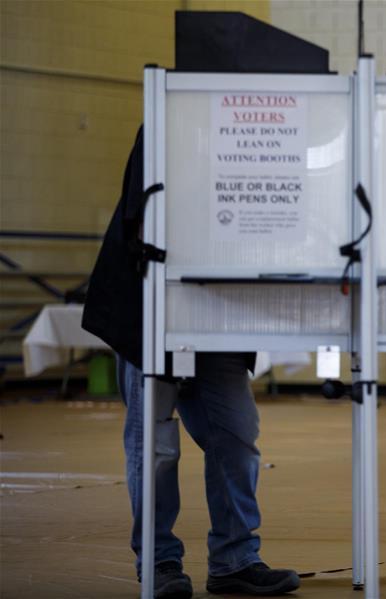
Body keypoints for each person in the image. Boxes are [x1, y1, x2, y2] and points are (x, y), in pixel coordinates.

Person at [83, 128, 300, 598]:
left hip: (213, 307)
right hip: (151, 302)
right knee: (156, 446)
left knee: (236, 433)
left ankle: (235, 559)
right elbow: (143, 221)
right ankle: (159, 562)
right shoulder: (167, 119)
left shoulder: (259, 138)